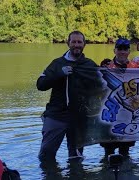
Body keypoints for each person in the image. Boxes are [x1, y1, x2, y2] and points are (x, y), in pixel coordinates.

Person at [37, 30, 98, 162]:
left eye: (79, 42)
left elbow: (102, 85)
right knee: (46, 155)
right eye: (74, 42)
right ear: (68, 43)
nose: (76, 45)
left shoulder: (89, 65)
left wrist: (106, 68)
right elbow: (40, 84)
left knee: (76, 157)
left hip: (79, 117)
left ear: (84, 44)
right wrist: (59, 73)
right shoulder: (57, 63)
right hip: (56, 115)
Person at [99, 38, 135, 156]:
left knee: (125, 152)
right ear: (114, 50)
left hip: (127, 116)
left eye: (125, 49)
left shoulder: (136, 67)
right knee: (108, 152)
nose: (122, 52)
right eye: (120, 49)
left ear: (129, 51)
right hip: (110, 114)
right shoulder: (106, 66)